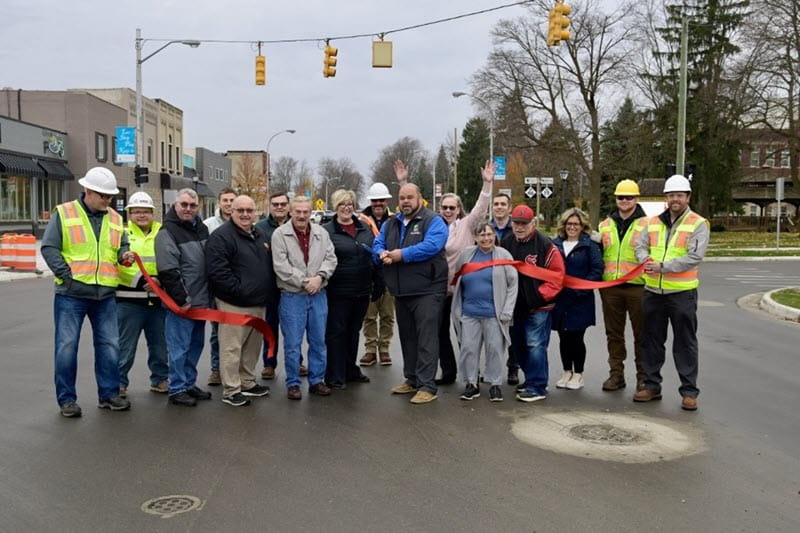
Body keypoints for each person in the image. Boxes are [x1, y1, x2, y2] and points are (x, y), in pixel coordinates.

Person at [41, 167, 133, 417]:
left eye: (110, 196)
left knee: (110, 346)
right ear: (88, 191)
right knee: (66, 347)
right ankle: (67, 400)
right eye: (103, 195)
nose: (107, 200)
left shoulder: (115, 217)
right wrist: (67, 278)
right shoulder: (65, 212)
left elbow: (121, 245)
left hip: (104, 295)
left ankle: (109, 394)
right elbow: (49, 248)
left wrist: (124, 255)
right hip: (71, 295)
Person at [634, 174, 709, 411]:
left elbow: (694, 257)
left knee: (685, 343)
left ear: (687, 197)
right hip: (653, 291)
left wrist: (664, 267)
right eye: (671, 195)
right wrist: (644, 260)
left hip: (681, 293)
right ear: (666, 197)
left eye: (679, 195)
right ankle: (652, 385)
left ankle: (689, 391)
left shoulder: (698, 223)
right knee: (652, 341)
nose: (674, 199)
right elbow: (640, 245)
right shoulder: (653, 222)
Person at [373, 175, 448, 405]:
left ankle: (427, 385)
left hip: (427, 290)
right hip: (401, 290)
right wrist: (380, 254)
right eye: (402, 198)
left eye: (410, 197)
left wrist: (400, 255)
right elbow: (379, 242)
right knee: (408, 337)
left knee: (426, 338)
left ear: (420, 199)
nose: (406, 201)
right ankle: (412, 379)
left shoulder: (433, 220)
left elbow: (432, 246)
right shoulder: (391, 223)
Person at [206, 195, 274, 407]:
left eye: (249, 210)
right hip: (233, 303)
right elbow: (218, 272)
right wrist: (239, 291)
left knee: (252, 347)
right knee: (231, 348)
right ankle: (231, 389)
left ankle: (247, 381)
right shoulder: (221, 237)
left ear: (255, 212)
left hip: (258, 302)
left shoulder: (259, 234)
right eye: (240, 210)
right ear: (231, 211)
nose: (245, 214)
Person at [271, 196, 338, 400]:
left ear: (311, 212)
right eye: (297, 211)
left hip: (318, 295)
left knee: (318, 341)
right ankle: (293, 383)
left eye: (305, 212)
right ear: (291, 212)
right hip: (292, 296)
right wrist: (305, 282)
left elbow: (331, 258)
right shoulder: (280, 234)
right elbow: (281, 266)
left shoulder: (321, 233)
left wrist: (319, 277)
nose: (301, 215)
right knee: (292, 343)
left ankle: (317, 380)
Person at [435, 159, 494, 385]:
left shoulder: (467, 225)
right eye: (445, 207)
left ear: (459, 209)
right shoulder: (434, 227)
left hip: (462, 289)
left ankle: (471, 373)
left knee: (465, 335)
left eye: (453, 207)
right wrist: (403, 183)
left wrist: (487, 184)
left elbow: (481, 207)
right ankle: (448, 372)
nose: (448, 211)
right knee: (439, 333)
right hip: (439, 290)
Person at [156, 188, 213, 407]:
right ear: (175, 205)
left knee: (195, 346)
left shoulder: (202, 228)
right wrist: (182, 300)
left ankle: (189, 383)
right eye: (184, 205)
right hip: (182, 304)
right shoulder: (167, 232)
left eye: (192, 205)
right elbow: (168, 270)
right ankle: (177, 388)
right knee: (179, 348)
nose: (188, 209)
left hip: (201, 301)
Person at [502, 205, 564, 402]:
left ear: (532, 223)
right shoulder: (506, 242)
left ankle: (537, 386)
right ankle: (531, 379)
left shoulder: (546, 245)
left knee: (535, 344)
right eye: (516, 223)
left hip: (538, 307)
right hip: (515, 306)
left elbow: (557, 276)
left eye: (524, 223)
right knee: (518, 345)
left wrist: (538, 297)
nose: (519, 227)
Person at [451, 221, 518, 402]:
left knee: (495, 349)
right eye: (482, 235)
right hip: (469, 312)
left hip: (494, 314)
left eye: (489, 234)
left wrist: (507, 310)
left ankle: (495, 384)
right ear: (475, 237)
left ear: (494, 236)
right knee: (468, 349)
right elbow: (458, 280)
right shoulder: (466, 256)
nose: (486, 238)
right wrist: (458, 310)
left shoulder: (504, 255)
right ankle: (471, 383)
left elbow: (513, 284)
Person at [323, 189, 381, 389]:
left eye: (350, 204)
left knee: (353, 331)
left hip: (362, 290)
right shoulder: (327, 231)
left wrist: (377, 283)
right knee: (336, 333)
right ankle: (334, 375)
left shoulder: (364, 228)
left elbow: (374, 257)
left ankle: (350, 369)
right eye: (342, 204)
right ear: (335, 207)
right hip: (337, 292)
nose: (347, 208)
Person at [115, 191, 168, 397]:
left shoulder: (163, 232)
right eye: (136, 211)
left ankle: (160, 379)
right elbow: (118, 262)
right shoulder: (123, 233)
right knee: (124, 346)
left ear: (153, 213)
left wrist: (160, 281)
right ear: (129, 214)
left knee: (160, 346)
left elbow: (170, 260)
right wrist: (142, 280)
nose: (141, 215)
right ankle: (118, 384)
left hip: (158, 300)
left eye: (145, 211)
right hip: (129, 301)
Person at [598, 179, 649, 391]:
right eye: (621, 197)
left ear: (636, 199)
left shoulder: (649, 224)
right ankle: (616, 375)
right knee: (614, 334)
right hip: (611, 288)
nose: (625, 201)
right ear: (616, 199)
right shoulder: (605, 225)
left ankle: (644, 378)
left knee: (643, 335)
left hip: (639, 286)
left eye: (629, 197)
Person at [255, 191, 306, 380]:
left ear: (288, 206)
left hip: (293, 286)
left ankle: (297, 361)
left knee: (294, 328)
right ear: (270, 206)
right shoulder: (259, 229)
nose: (279, 207)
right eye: (275, 204)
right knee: (270, 327)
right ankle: (269, 364)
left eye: (283, 204)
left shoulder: (299, 227)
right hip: (270, 288)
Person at [551, 208, 603, 391]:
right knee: (563, 336)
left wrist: (581, 288)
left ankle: (578, 373)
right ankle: (567, 371)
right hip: (560, 299)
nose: (572, 227)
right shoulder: (554, 244)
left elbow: (597, 270)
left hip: (580, 299)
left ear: (582, 226)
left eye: (576, 224)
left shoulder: (589, 246)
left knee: (576, 337)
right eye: (569, 224)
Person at [359, 182, 396, 367]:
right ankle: (370, 349)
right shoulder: (361, 221)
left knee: (388, 315)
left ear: (386, 201)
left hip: (389, 272)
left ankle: (384, 348)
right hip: (368, 274)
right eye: (375, 201)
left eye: (381, 200)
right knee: (370, 315)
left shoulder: (395, 220)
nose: (378, 204)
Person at [203, 187, 236, 387]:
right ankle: (216, 370)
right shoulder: (208, 226)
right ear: (219, 202)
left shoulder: (247, 225)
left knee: (238, 333)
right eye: (226, 200)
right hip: (215, 287)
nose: (229, 204)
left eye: (232, 200)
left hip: (238, 287)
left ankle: (234, 371)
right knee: (218, 333)